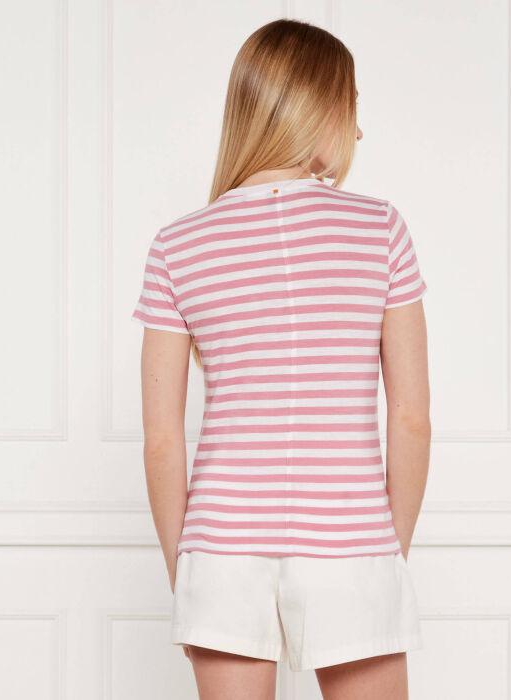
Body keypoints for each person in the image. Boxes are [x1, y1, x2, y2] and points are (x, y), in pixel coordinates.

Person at [131, 17, 430, 700]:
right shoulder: (379, 228)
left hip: (222, 547)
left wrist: (187, 568)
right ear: (316, 106)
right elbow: (412, 418)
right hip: (351, 540)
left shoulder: (178, 246)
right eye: (351, 107)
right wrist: (386, 551)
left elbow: (161, 440)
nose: (358, 132)